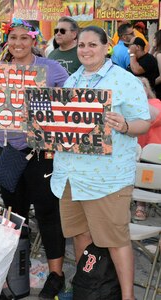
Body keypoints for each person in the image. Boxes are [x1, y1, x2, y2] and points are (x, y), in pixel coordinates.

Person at [51, 26, 150, 300]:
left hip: (108, 178)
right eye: (81, 45)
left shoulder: (124, 80)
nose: (85, 50)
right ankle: (88, 288)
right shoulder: (71, 82)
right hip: (70, 175)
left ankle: (127, 296)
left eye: (92, 45)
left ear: (107, 47)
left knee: (115, 240)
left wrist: (126, 124)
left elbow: (144, 122)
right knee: (80, 235)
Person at [0, 18, 69, 299]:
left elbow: (72, 100)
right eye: (12, 38)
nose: (17, 43)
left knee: (48, 213)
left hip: (43, 154)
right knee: (13, 215)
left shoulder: (51, 69)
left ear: (34, 40)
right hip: (10, 151)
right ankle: (11, 274)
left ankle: (56, 275)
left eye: (23, 38)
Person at [134, 77, 161, 221]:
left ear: (147, 89)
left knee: (147, 168)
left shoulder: (156, 103)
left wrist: (137, 98)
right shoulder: (128, 106)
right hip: (135, 152)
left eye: (142, 86)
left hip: (155, 155)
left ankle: (141, 206)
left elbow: (154, 116)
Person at [151, 30, 161, 100]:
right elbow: (148, 58)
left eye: (155, 37)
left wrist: (151, 84)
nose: (153, 39)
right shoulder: (156, 52)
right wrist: (153, 47)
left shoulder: (159, 55)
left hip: (158, 89)